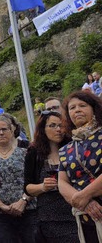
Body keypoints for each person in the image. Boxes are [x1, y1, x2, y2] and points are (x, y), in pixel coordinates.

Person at [24, 111, 78, 243]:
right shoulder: (34, 153)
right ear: (43, 129)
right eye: (52, 126)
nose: (58, 129)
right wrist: (42, 186)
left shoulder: (73, 148)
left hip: (76, 209)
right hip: (50, 216)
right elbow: (27, 188)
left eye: (61, 125)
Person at [0, 114, 37, 243]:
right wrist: (2, 206)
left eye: (4, 129)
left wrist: (23, 201)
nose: (1, 133)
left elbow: (34, 179)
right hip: (0, 215)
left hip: (28, 210)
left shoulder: (25, 153)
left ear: (12, 131)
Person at [58, 91, 102, 243]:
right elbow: (62, 183)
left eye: (82, 105)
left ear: (94, 108)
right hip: (86, 216)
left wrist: (84, 195)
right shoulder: (65, 149)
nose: (77, 110)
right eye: (72, 108)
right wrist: (86, 202)